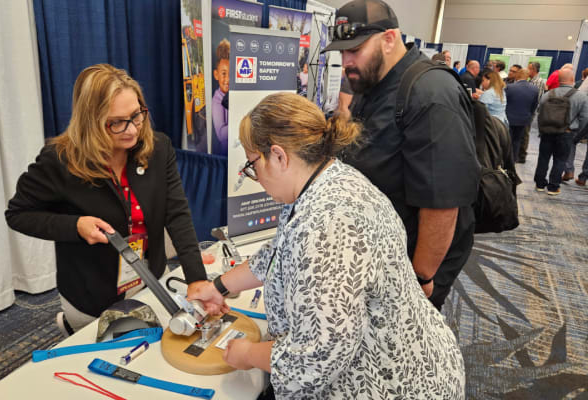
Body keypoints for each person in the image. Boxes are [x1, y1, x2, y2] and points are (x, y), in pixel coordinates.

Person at [188, 92, 465, 399]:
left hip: (394, 383)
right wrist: (219, 286)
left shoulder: (327, 225)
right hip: (408, 359)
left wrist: (247, 354)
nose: (256, 177)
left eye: (253, 164)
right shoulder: (326, 179)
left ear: (279, 156)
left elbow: (316, 355)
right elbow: (279, 253)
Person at [5, 64, 207, 334]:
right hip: (91, 291)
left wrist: (197, 279)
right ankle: (69, 327)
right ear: (91, 121)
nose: (132, 130)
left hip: (147, 277)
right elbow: (18, 214)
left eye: (136, 115)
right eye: (116, 122)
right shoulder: (60, 160)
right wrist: (75, 226)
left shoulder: (158, 148)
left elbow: (177, 213)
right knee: (99, 352)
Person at [320, 0, 480, 310]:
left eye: (355, 50)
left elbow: (443, 206)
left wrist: (419, 278)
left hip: (415, 260)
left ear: (390, 39)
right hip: (382, 248)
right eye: (342, 52)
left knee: (401, 344)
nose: (347, 61)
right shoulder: (373, 82)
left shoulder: (430, 94)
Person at [535, 68, 588, 195]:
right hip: (566, 133)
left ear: (558, 79)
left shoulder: (547, 94)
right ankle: (553, 187)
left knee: (543, 158)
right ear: (572, 79)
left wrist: (542, 129)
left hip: (547, 132)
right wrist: (576, 133)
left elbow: (539, 113)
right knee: (560, 160)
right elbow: (585, 118)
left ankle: (540, 184)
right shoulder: (581, 96)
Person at [505, 68, 539, 160]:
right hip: (524, 119)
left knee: (507, 140)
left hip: (509, 118)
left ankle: (505, 160)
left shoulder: (509, 87)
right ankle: (514, 159)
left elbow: (504, 103)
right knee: (517, 141)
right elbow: (534, 106)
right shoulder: (535, 89)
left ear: (518, 75)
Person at [517, 61, 547, 163]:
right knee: (522, 133)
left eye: (529, 68)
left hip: (528, 113)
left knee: (525, 134)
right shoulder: (531, 81)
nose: (527, 70)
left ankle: (522, 156)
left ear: (533, 70)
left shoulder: (538, 82)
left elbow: (536, 100)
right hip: (524, 112)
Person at [212, 39, 230, 155]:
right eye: (224, 73)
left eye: (231, 74)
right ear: (216, 74)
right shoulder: (217, 100)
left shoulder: (234, 94)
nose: (227, 79)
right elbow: (221, 135)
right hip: (225, 155)